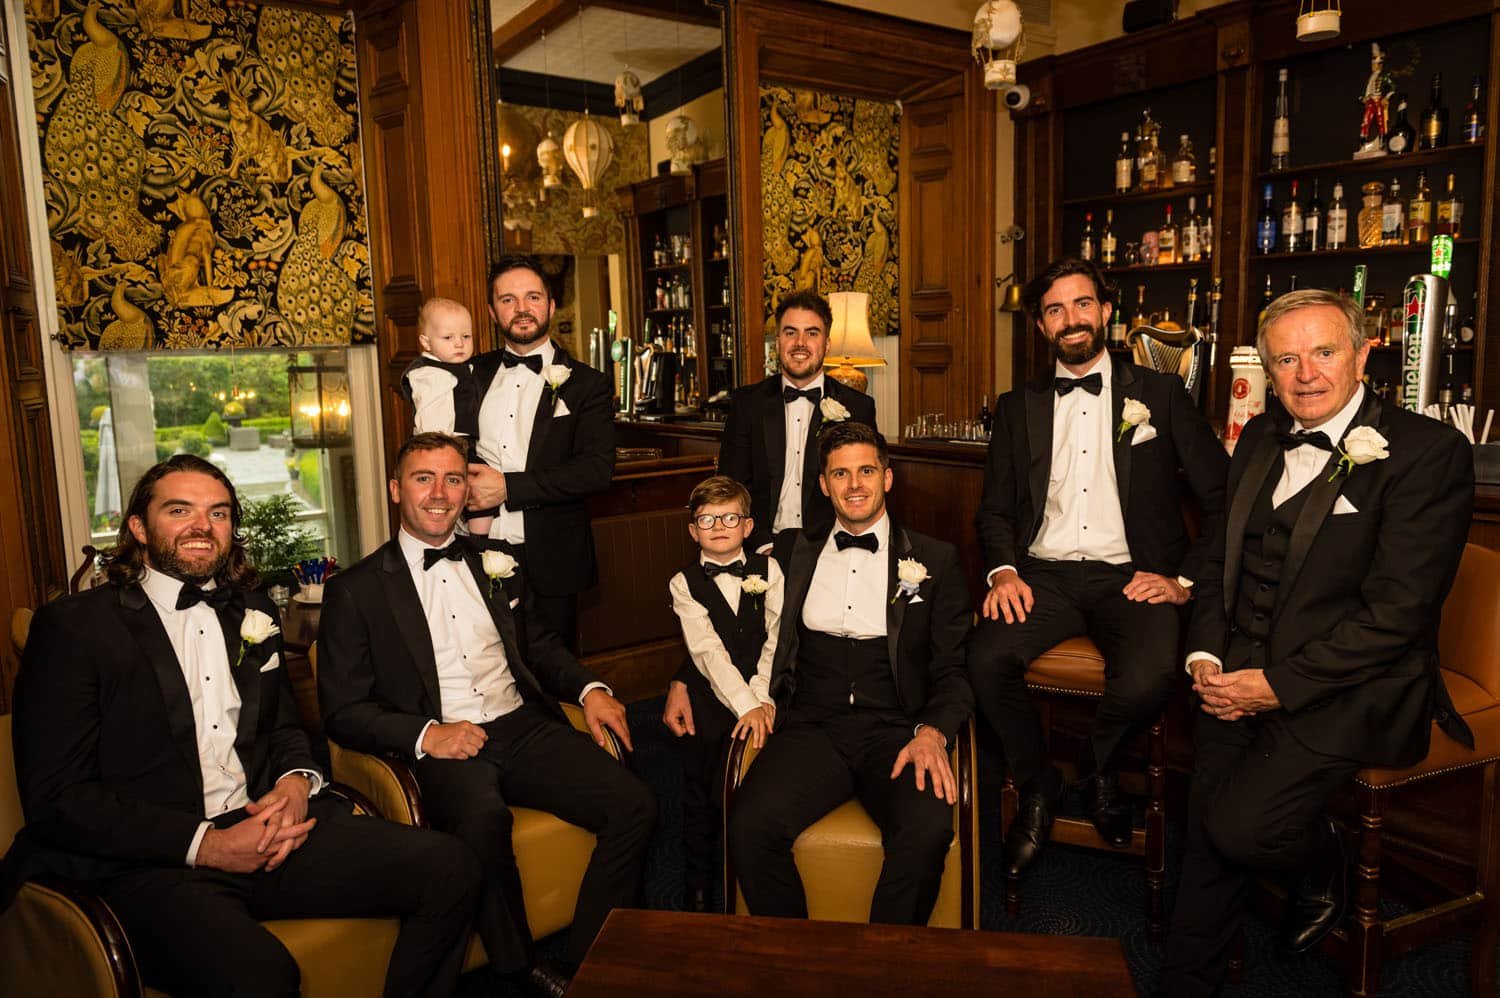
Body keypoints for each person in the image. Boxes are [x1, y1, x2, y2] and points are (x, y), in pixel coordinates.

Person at [1, 455, 479, 998]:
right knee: (262, 977)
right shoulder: (74, 627)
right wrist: (208, 845)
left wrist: (296, 783)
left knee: (452, 867)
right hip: (150, 862)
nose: (202, 526)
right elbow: (57, 798)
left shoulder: (253, 611)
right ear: (138, 527)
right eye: (179, 510)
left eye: (219, 513)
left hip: (266, 829)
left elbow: (285, 728)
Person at [1163, 289, 1474, 995]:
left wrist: (1276, 686)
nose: (1305, 374)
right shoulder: (1257, 439)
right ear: (1267, 372)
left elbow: (1397, 617)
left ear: (1363, 355)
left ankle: (1324, 856)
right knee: (1207, 824)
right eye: (1286, 359)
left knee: (1237, 828)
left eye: (1324, 352)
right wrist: (1206, 656)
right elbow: (1216, 562)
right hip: (1238, 669)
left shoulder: (1428, 454)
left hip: (1355, 685)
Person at [317, 432, 655, 997]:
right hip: (443, 740)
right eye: (424, 478)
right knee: (482, 820)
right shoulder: (356, 590)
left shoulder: (497, 562)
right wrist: (428, 734)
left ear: (467, 491)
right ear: (397, 489)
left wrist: (590, 688)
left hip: (520, 723)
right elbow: (343, 711)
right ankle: (517, 964)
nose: (439, 493)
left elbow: (539, 646)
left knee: (635, 804)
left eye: (453, 479)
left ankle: (590, 959)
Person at [966, 255, 1227, 881]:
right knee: (984, 660)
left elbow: (1224, 497)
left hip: (1131, 576)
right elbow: (994, 509)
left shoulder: (1161, 395)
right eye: (1055, 310)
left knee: (1149, 677)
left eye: (1082, 304)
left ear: (1106, 311)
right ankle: (1038, 783)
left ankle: (1096, 767)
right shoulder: (1017, 406)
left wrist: (1182, 581)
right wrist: (1003, 572)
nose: (1071, 319)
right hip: (1044, 576)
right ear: (1041, 326)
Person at [726, 422, 973, 926]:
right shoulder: (791, 551)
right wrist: (684, 678)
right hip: (812, 727)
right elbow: (737, 624)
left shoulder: (936, 559)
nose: (854, 484)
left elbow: (954, 669)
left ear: (888, 477)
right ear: (823, 484)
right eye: (840, 474)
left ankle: (882, 960)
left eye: (866, 471)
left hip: (897, 731)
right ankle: (796, 958)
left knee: (925, 833)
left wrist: (932, 733)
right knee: (749, 825)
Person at [465, 255, 615, 648]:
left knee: (555, 668)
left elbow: (596, 470)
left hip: (552, 559)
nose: (522, 308)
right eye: (508, 299)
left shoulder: (588, 384)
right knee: (482, 662)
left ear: (550, 305)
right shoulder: (470, 375)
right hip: (477, 548)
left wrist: (508, 488)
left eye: (532, 297)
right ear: (492, 311)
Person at [661, 475, 783, 913]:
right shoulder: (683, 582)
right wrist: (745, 705)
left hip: (764, 694)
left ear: (747, 527)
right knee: (701, 795)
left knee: (759, 789)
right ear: (693, 530)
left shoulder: (770, 570)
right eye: (707, 519)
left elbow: (777, 639)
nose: (718, 527)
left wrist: (761, 698)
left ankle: (748, 883)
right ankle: (699, 886)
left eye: (730, 518)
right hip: (709, 700)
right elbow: (706, 651)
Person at [717, 289, 876, 562]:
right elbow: (730, 486)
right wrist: (761, 545)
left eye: (812, 333)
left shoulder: (858, 406)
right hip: (760, 547)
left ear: (827, 344)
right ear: (778, 342)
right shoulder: (747, 403)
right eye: (790, 332)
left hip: (830, 549)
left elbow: (863, 488)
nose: (800, 343)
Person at [400, 297, 493, 538]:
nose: (459, 343)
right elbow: (428, 418)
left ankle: (477, 541)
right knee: (455, 495)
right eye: (448, 337)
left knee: (480, 494)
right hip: (443, 446)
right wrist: (439, 451)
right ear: (426, 342)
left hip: (466, 444)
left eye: (466, 336)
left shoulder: (465, 367)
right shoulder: (428, 374)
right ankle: (475, 542)